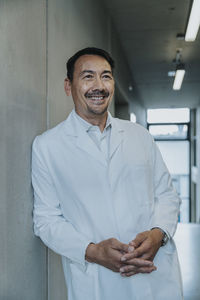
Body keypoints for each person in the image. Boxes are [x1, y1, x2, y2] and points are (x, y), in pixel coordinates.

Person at [32, 47, 183, 300]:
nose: (99, 86)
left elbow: (167, 195)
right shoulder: (47, 146)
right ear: (69, 86)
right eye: (88, 76)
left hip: (156, 275)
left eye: (106, 76)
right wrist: (93, 252)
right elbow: (46, 219)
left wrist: (158, 235)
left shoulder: (140, 136)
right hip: (96, 281)